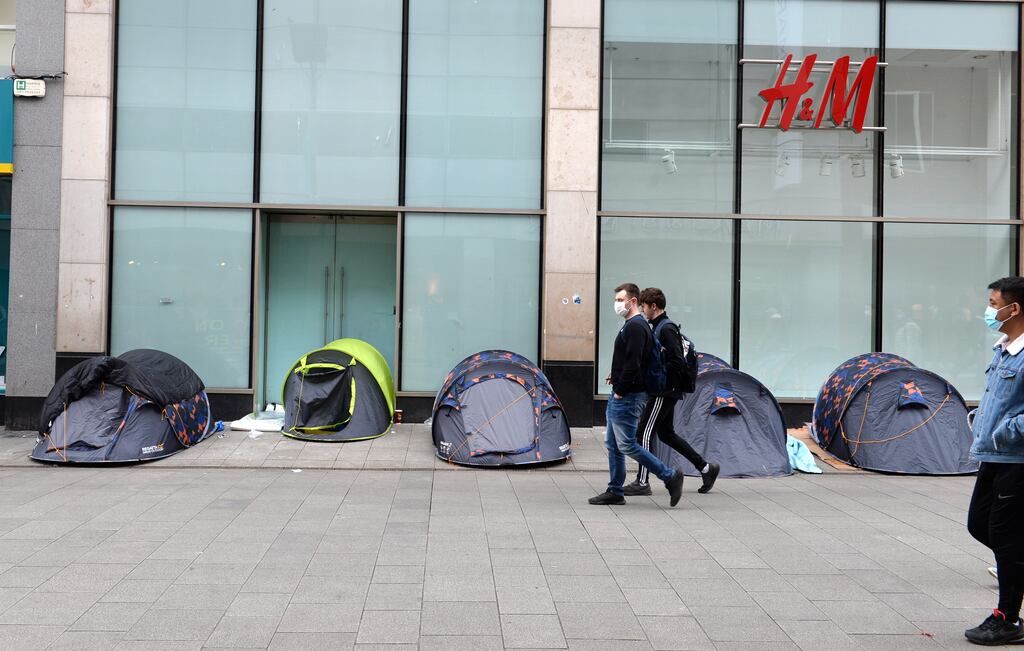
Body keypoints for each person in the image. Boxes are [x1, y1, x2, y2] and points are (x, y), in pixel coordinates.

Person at [964, 276, 1024, 646]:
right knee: (979, 524)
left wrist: (1003, 432)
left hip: (1017, 458)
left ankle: (1007, 618)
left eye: (993, 302)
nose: (989, 310)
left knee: (1004, 535)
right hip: (994, 456)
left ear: (1013, 308)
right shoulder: (1004, 348)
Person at [589, 283, 684, 507]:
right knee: (614, 444)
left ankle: (669, 476)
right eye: (616, 300)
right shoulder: (634, 325)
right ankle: (615, 490)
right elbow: (630, 361)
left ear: (633, 301)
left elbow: (634, 363)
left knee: (627, 444)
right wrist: (617, 378)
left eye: (621, 300)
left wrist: (621, 389)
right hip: (624, 393)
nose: (617, 304)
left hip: (628, 396)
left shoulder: (635, 326)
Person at [623, 287, 720, 497]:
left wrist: (658, 378)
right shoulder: (658, 327)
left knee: (643, 434)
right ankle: (706, 468)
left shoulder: (665, 329)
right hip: (666, 389)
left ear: (653, 306)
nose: (642, 310)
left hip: (663, 390)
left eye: (644, 306)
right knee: (666, 434)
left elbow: (676, 361)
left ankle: (642, 481)